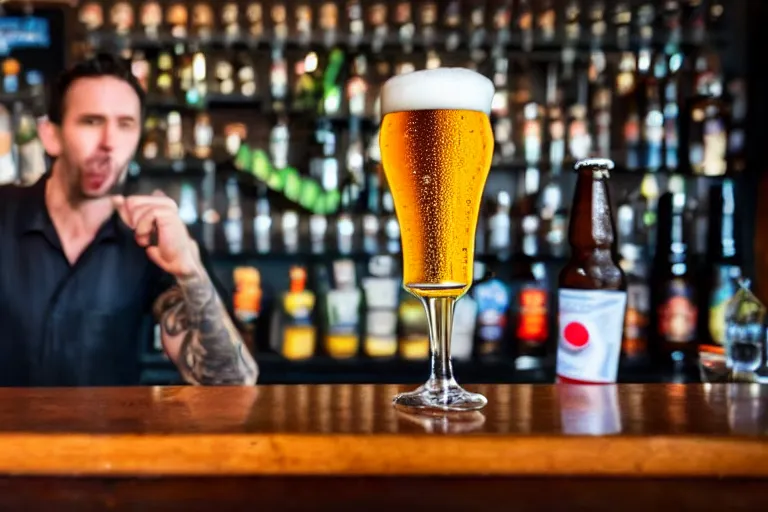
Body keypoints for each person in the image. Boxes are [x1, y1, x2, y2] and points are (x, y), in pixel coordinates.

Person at [0, 53, 258, 387]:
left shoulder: (153, 236)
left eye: (125, 124)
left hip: (112, 439)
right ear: (51, 135)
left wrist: (189, 270)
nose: (109, 143)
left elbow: (232, 385)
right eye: (91, 121)